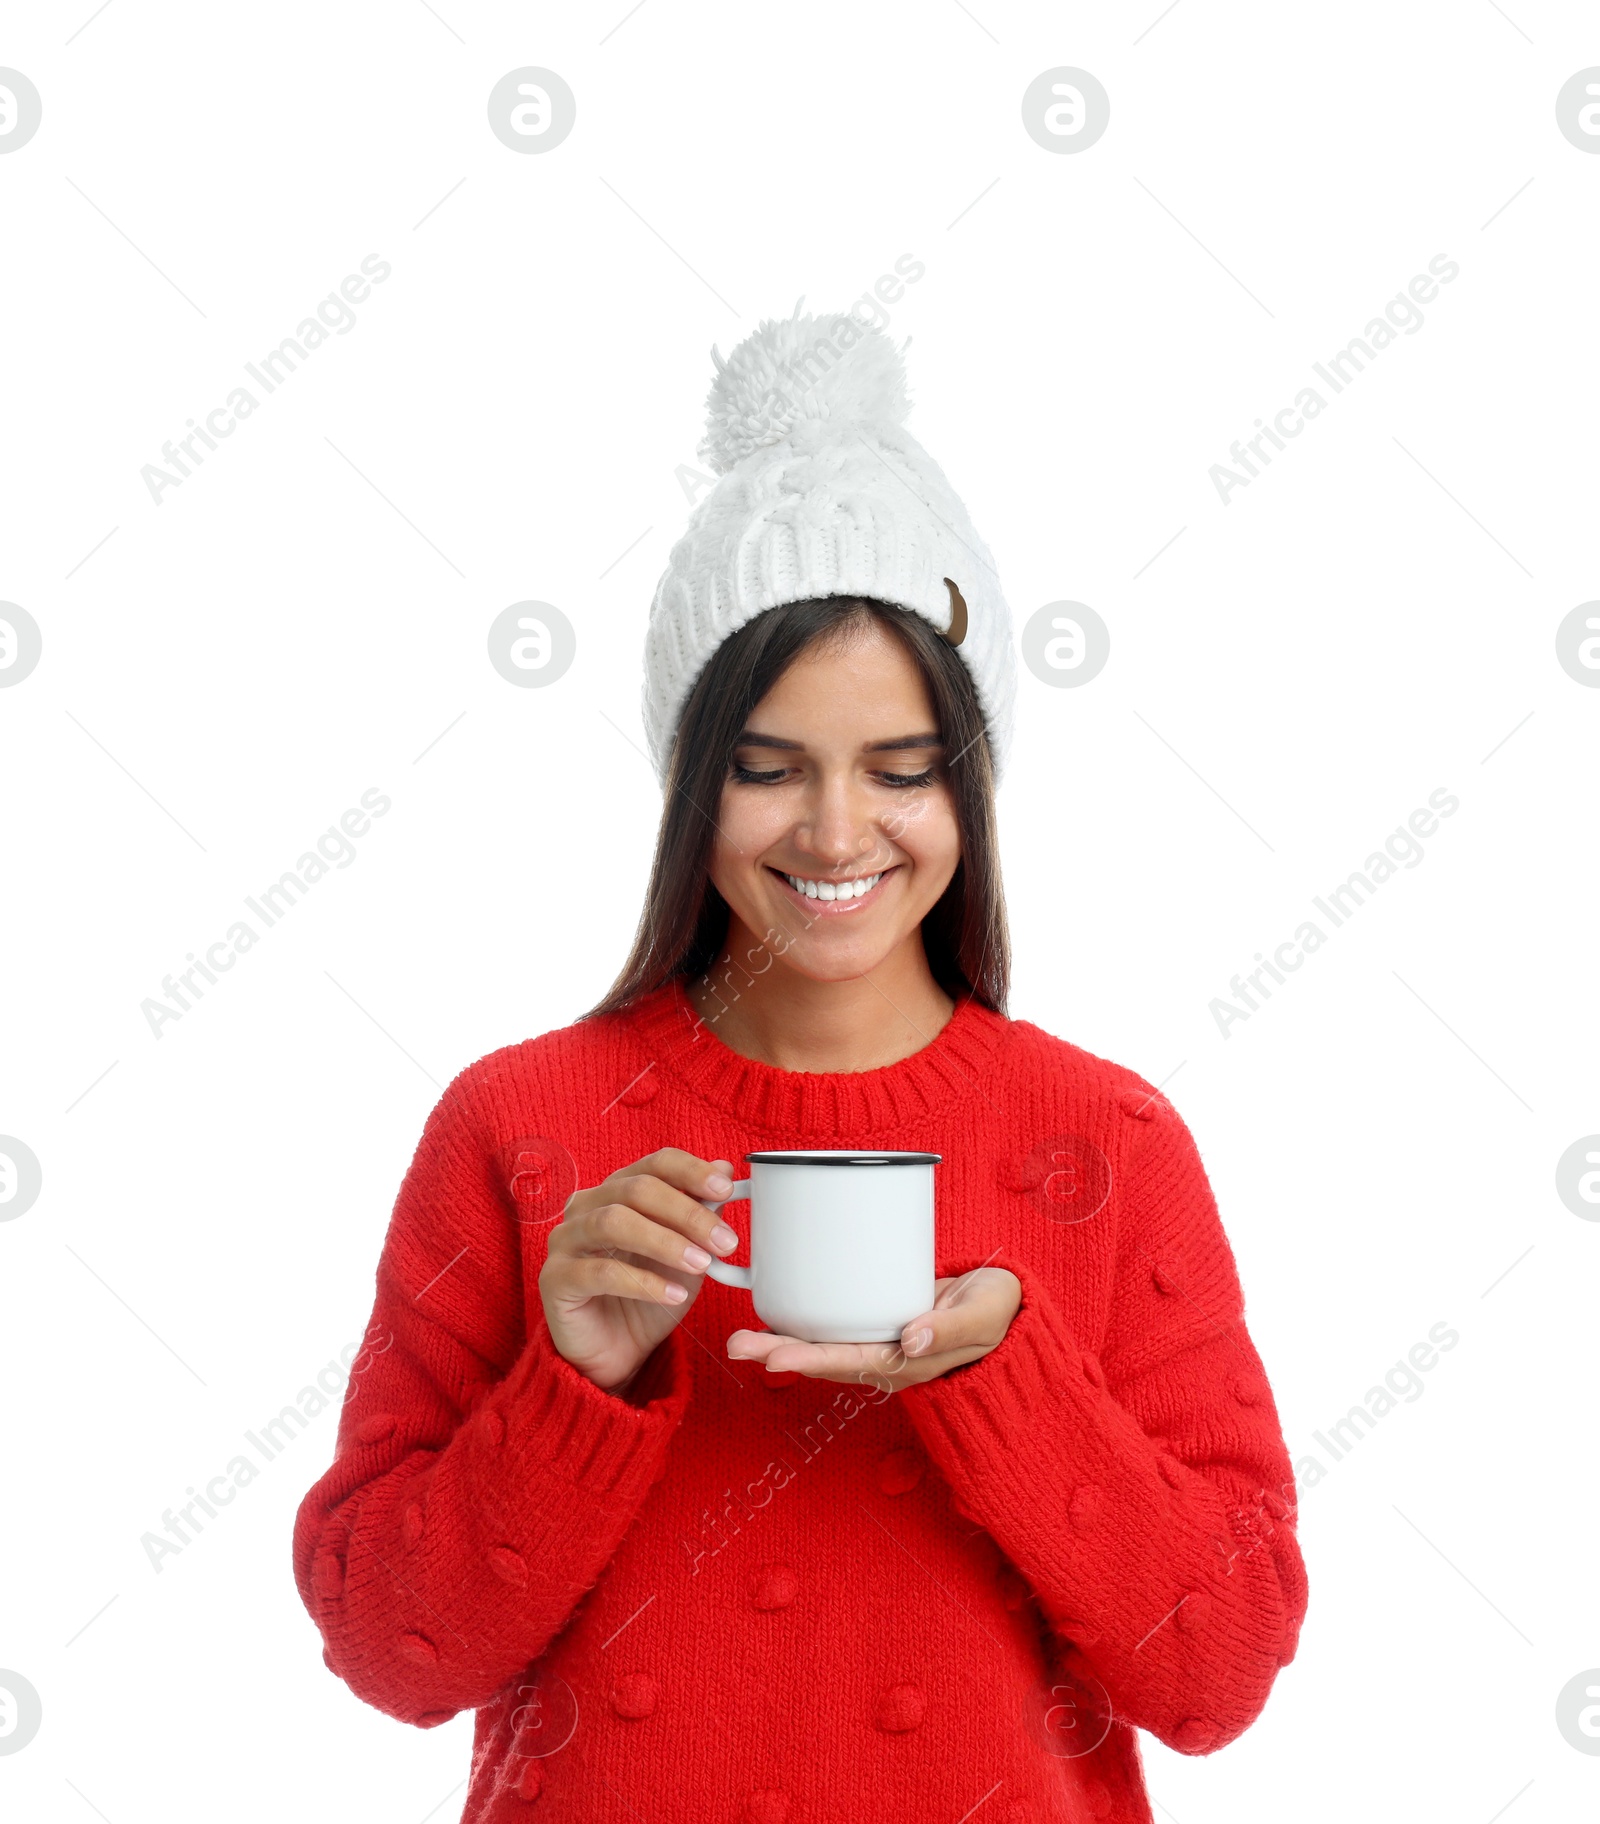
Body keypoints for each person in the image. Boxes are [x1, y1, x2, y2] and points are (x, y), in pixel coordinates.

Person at [293, 304, 1307, 1823]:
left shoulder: (1108, 1139)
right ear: (691, 785)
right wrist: (573, 1377)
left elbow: (1218, 1673)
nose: (837, 835)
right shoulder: (516, 1124)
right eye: (769, 771)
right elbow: (392, 1652)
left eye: (900, 772)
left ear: (970, 786)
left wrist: (1007, 1381)